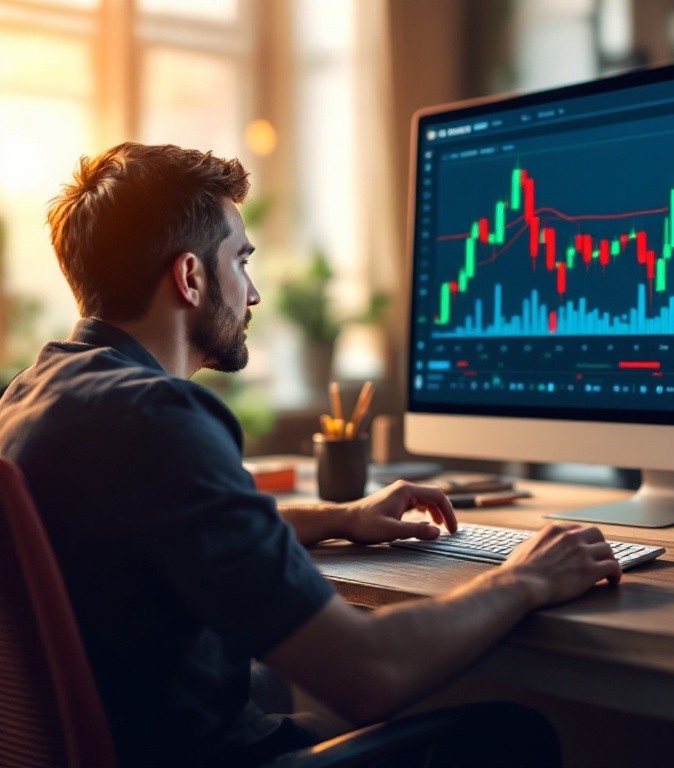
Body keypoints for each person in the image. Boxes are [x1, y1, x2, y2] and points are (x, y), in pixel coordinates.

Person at [0, 143, 622, 768]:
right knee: (512, 734)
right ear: (189, 277)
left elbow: (159, 528)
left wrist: (337, 517)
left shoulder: (33, 397)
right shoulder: (156, 419)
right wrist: (524, 578)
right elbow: (370, 673)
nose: (253, 294)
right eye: (240, 261)